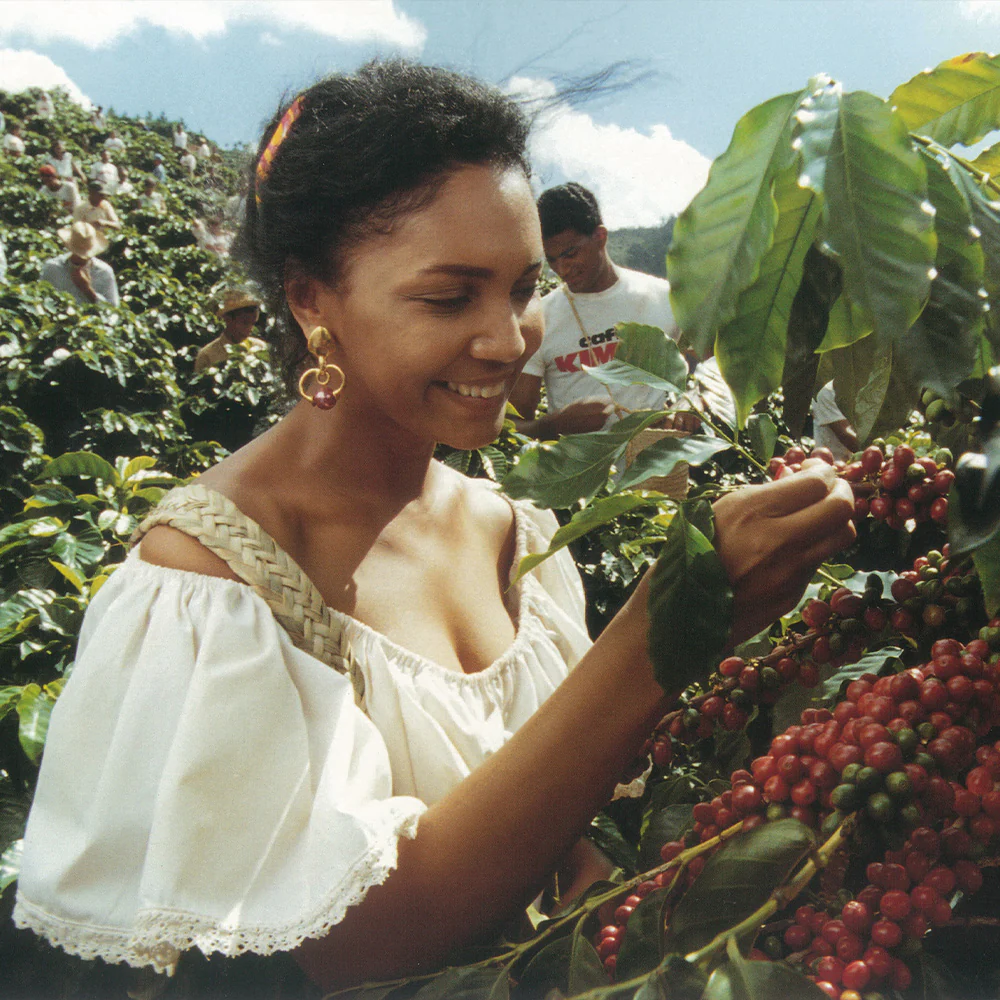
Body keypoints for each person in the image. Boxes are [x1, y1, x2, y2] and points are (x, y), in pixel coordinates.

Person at [13, 60, 855, 993]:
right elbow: (364, 940)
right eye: (448, 297)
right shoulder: (209, 586)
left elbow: (551, 823)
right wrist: (665, 633)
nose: (506, 338)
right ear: (309, 297)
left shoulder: (508, 532)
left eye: (523, 288)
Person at [510, 182, 678, 436]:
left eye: (570, 253)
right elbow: (513, 427)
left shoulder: (664, 297)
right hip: (580, 471)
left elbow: (714, 368)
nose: (562, 270)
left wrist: (691, 401)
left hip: (657, 472)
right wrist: (555, 425)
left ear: (600, 237)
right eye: (552, 259)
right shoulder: (540, 319)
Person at [39, 220, 120, 306]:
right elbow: (41, 298)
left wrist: (87, 290)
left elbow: (113, 310)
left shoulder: (104, 272)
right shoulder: (52, 268)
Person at [193, 288, 266, 372]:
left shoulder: (260, 348)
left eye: (253, 323)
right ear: (228, 320)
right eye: (245, 323)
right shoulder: (207, 355)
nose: (250, 329)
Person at [811, 382, 859, 461]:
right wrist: (877, 450)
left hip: (856, 463)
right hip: (831, 464)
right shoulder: (825, 391)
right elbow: (845, 435)